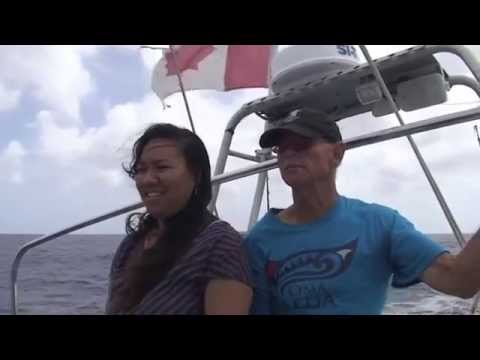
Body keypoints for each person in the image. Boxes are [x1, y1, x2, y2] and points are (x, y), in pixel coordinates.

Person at [245, 108, 480, 315]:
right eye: (282, 149)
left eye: (302, 144)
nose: (289, 154)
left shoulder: (380, 224)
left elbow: (459, 281)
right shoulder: (259, 240)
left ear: (337, 154)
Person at [106, 123, 252, 315]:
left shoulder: (220, 245)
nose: (148, 179)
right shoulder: (131, 245)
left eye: (162, 167)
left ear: (196, 175)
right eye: (141, 169)